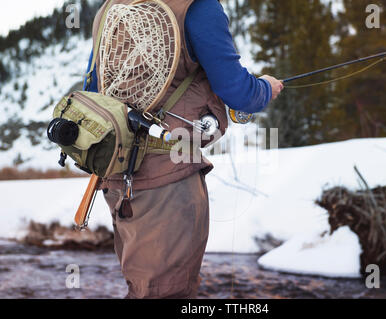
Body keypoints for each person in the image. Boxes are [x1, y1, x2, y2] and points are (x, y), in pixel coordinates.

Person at [84, 0, 283, 299]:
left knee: (142, 288)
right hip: (168, 180)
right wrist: (267, 87)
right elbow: (240, 92)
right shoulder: (199, 7)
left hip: (116, 176)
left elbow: (94, 86)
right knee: (165, 293)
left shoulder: (111, 6)